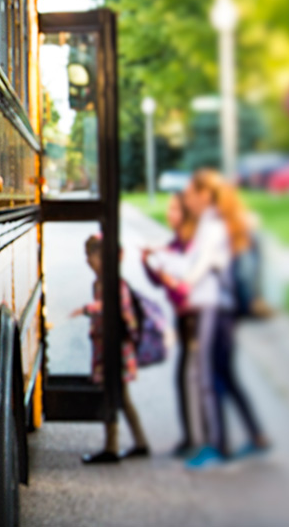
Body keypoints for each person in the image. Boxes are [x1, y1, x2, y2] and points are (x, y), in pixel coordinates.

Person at [171, 169, 269, 469]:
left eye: (189, 195)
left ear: (204, 195)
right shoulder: (218, 222)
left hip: (212, 307)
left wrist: (183, 281)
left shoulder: (211, 225)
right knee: (225, 374)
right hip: (223, 308)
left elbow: (201, 264)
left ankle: (218, 445)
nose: (186, 201)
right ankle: (256, 435)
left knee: (208, 378)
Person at [72, 234, 150, 464]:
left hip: (114, 349)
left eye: (92, 255)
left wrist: (88, 309)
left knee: (112, 395)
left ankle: (112, 446)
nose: (88, 261)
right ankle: (139, 442)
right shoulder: (100, 282)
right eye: (87, 255)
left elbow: (117, 308)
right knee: (122, 397)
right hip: (106, 347)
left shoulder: (113, 283)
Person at [142, 194, 202, 457]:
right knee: (192, 378)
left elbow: (183, 288)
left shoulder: (191, 245)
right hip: (185, 316)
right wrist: (148, 264)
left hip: (197, 318)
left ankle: (199, 439)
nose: (169, 213)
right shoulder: (176, 243)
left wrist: (165, 275)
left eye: (175, 209)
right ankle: (195, 437)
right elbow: (160, 282)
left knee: (195, 378)